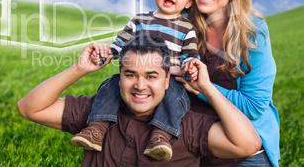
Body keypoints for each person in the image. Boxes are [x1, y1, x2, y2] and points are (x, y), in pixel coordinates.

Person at [16, 35, 262, 166]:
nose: (140, 85)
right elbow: (29, 108)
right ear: (119, 77)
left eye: (151, 76)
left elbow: (247, 144)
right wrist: (79, 69)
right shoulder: (97, 114)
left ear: (168, 80)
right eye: (130, 75)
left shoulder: (185, 126)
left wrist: (206, 89)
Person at [71, 0, 200, 161]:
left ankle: (160, 136)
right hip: (135, 75)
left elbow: (190, 55)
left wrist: (189, 65)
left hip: (168, 79)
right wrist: (107, 53)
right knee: (110, 86)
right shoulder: (140, 21)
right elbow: (120, 44)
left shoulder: (186, 28)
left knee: (175, 96)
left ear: (189, 1)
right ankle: (96, 129)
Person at [177, 0, 280, 166]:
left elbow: (253, 106)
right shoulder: (181, 20)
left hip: (244, 148)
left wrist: (202, 87)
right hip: (191, 141)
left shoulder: (252, 33)